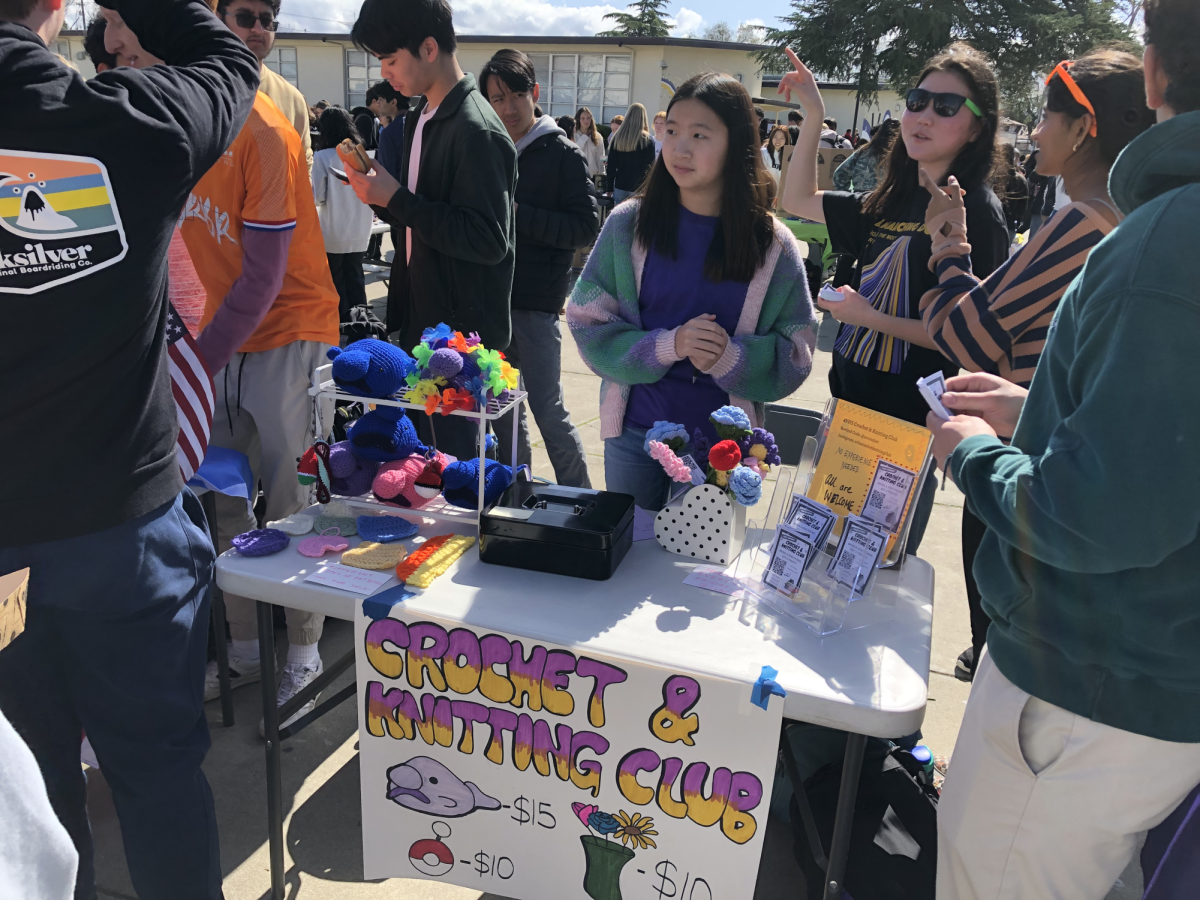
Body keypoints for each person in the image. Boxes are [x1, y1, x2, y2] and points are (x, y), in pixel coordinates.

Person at [930, 1, 1200, 893]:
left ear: (1157, 73)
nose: (1029, 130)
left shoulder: (1159, 242)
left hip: (1086, 684)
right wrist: (1037, 409)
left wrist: (974, 451)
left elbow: (1100, 515)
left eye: (1044, 113)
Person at [0, 2, 259, 897]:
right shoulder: (128, 126)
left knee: (26, 791)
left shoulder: (124, 118)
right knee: (155, 778)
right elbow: (227, 55)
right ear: (56, 9)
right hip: (123, 540)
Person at [851, 50, 1155, 682]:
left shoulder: (1083, 220)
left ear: (1083, 128)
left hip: (1026, 464)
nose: (1035, 130)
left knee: (1000, 649)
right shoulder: (1127, 218)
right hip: (1059, 456)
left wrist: (949, 248)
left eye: (1047, 116)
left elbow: (967, 336)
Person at [162, 6, 340, 730]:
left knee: (291, 498)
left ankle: (302, 651)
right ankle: (241, 647)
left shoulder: (267, 117)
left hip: (284, 330)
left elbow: (265, 271)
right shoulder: (180, 108)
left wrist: (198, 354)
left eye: (268, 16)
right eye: (244, 15)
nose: (260, 28)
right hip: (216, 333)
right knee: (222, 495)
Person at [779, 43, 1009, 554]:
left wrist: (869, 317)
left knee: (873, 574)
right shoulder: (888, 197)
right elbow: (794, 200)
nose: (923, 115)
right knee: (817, 565)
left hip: (910, 429)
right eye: (916, 99)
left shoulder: (976, 212)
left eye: (946, 106)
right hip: (849, 411)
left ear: (976, 127)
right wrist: (813, 115)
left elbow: (970, 338)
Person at [569, 73, 817, 511]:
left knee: (699, 574)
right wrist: (668, 345)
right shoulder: (627, 224)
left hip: (724, 455)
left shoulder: (773, 245)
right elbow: (587, 320)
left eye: (700, 135)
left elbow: (798, 349)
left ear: (737, 144)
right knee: (628, 561)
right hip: (633, 435)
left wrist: (730, 357)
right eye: (672, 132)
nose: (679, 149)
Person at [345, 0, 517, 461]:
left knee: (468, 488)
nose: (386, 73)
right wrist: (385, 195)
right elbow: (428, 220)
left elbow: (487, 239)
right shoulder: (425, 115)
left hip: (462, 348)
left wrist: (396, 199)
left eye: (391, 59)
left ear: (428, 47)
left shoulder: (475, 127)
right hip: (428, 329)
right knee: (430, 480)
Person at [480, 49, 597, 487]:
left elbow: (585, 228)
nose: (507, 108)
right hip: (489, 307)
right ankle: (516, 495)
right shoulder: (488, 147)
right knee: (503, 413)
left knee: (548, 410)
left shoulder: (562, 154)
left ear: (535, 93)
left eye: (515, 95)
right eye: (496, 98)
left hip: (534, 305)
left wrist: (516, 214)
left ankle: (584, 500)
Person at [218, 0, 312, 178]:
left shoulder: (292, 99)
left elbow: (302, 168)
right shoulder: (193, 88)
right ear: (217, 18)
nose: (258, 29)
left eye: (266, 21)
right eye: (244, 18)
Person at [314, 108, 375, 320]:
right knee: (357, 278)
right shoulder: (362, 154)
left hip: (333, 228)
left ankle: (342, 325)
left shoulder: (322, 156)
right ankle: (363, 324)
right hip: (360, 228)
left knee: (336, 282)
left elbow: (318, 197)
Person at [831, 116, 898, 191]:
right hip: (884, 200)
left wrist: (847, 196)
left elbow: (839, 175)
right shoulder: (899, 155)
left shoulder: (864, 151)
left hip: (860, 198)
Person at [606, 102, 655, 204]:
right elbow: (650, 168)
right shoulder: (647, 139)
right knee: (637, 219)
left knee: (619, 219)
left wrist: (609, 187)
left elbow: (611, 166)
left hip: (620, 186)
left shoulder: (617, 137)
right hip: (639, 188)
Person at [999, 143, 1029, 242]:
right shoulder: (1021, 179)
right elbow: (1023, 207)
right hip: (1010, 224)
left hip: (993, 223)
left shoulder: (995, 177)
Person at [574, 106, 604, 177]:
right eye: (583, 118)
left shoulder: (598, 136)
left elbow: (601, 157)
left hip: (593, 175)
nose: (586, 121)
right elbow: (575, 151)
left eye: (588, 118)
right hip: (578, 174)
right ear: (578, 119)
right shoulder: (574, 135)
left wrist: (602, 174)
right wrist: (584, 137)